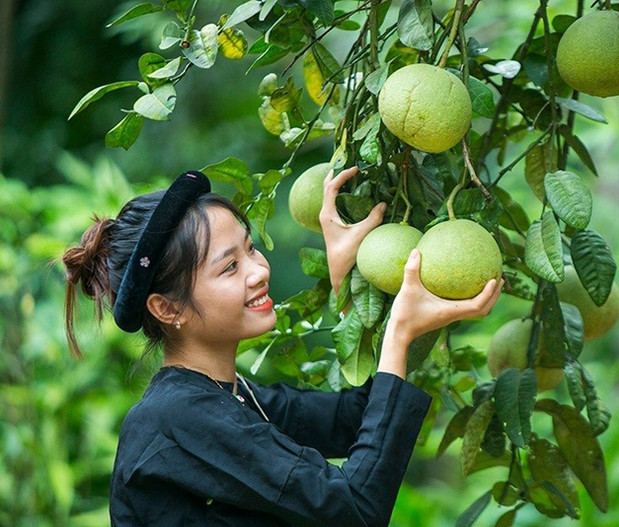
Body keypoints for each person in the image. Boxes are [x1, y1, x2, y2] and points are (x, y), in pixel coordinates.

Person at [62, 166, 502, 526]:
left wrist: (346, 282)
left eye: (250, 249)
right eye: (230, 267)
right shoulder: (176, 419)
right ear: (166, 308)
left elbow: (359, 417)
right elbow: (355, 511)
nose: (258, 270)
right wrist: (399, 333)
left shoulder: (234, 397)